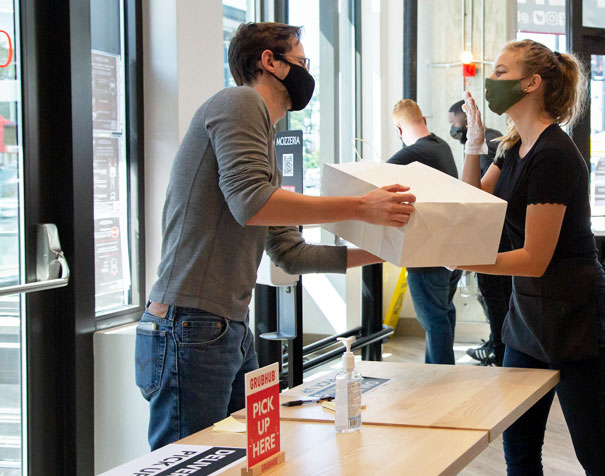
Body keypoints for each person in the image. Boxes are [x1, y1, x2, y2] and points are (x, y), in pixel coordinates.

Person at [135, 22, 416, 450]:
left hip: (224, 327)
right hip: (190, 324)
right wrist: (362, 207)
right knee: (192, 462)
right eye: (302, 62)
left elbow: (290, 253)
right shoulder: (239, 102)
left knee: (239, 456)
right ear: (270, 61)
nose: (307, 73)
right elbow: (251, 202)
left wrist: (385, 252)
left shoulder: (265, 137)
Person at [459, 40, 605, 475]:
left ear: (531, 83)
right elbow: (472, 204)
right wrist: (473, 146)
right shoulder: (513, 145)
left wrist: (467, 261)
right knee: (517, 447)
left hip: (574, 313)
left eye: (499, 72)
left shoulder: (554, 154)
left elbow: (535, 257)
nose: (490, 81)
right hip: (529, 315)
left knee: (594, 451)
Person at [387, 99, 463, 365]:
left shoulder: (414, 153)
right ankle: (440, 374)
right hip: (453, 250)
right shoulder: (441, 147)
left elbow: (377, 176)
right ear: (424, 120)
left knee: (433, 320)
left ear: (398, 128)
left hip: (429, 253)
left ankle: (440, 379)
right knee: (443, 313)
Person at [448, 100, 511, 367]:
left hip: (498, 245)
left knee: (498, 308)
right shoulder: (497, 143)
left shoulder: (494, 147)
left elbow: (475, 198)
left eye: (453, 123)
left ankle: (498, 351)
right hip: (498, 246)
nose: (451, 128)